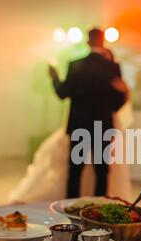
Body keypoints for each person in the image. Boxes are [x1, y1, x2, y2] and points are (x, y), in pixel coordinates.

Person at [48, 28, 127, 198]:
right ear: (103, 41)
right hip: (103, 126)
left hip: (78, 124)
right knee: (102, 171)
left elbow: (62, 93)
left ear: (87, 41)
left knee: (75, 171)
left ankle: (70, 208)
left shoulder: (75, 64)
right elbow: (118, 100)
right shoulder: (113, 67)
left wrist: (54, 77)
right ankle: (98, 209)